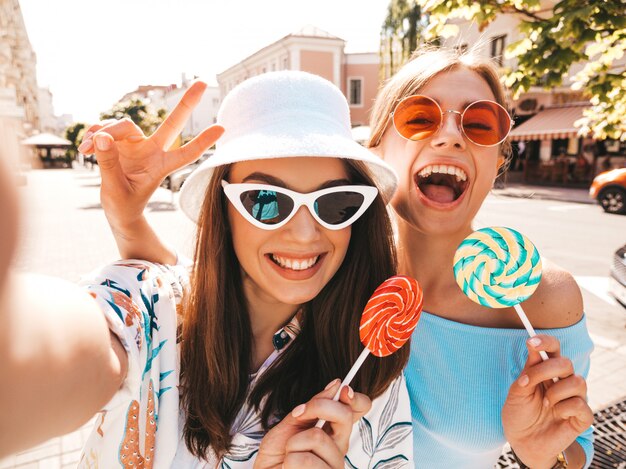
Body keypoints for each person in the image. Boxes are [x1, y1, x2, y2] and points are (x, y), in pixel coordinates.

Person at [72, 71, 413, 468]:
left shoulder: (370, 370)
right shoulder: (151, 309)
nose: (305, 235)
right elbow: (70, 351)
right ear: (223, 209)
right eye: (265, 200)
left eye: (336, 202)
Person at [367, 48, 594, 468]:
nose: (451, 136)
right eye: (420, 118)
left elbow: (577, 443)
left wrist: (543, 454)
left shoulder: (542, 297)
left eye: (478, 125)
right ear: (377, 149)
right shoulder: (341, 269)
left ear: (497, 161)